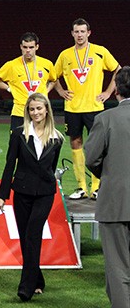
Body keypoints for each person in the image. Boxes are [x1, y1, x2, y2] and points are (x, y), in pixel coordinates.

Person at [0, 93, 63, 302]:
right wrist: (2, 195)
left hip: (45, 194)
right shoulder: (18, 134)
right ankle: (38, 279)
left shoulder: (57, 138)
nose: (35, 113)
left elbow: (51, 168)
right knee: (26, 238)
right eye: (32, 109)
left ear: (47, 110)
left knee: (33, 233)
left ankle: (26, 287)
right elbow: (10, 165)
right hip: (22, 192)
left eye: (39, 108)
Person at [54, 18, 121, 200]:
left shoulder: (100, 51)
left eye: (83, 31)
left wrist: (108, 92)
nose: (79, 35)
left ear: (89, 33)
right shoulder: (65, 55)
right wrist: (60, 91)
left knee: (97, 146)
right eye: (76, 31)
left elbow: (118, 70)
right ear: (72, 33)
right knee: (75, 143)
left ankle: (97, 188)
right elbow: (53, 76)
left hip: (94, 107)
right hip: (73, 107)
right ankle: (81, 187)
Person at [85, 66, 130, 308]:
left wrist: (109, 173)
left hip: (115, 201)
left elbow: (91, 158)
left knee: (117, 263)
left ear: (116, 92)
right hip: (117, 199)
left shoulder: (107, 118)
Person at [0, 32, 57, 131]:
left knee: (41, 140)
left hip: (40, 112)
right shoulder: (11, 65)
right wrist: (9, 89)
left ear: (37, 47)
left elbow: (54, 80)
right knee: (16, 140)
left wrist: (46, 91)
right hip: (19, 112)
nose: (28, 50)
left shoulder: (47, 64)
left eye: (31, 47)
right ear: (21, 47)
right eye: (25, 47)